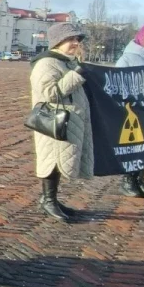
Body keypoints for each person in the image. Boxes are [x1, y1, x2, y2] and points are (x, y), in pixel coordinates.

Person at [30, 22, 94, 221]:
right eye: (71, 39)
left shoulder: (66, 61)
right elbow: (50, 93)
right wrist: (76, 75)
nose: (76, 43)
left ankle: (51, 199)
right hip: (54, 122)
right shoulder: (46, 63)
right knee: (51, 160)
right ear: (58, 41)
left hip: (67, 121)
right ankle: (48, 201)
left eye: (77, 39)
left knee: (59, 160)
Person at [114, 22, 144, 199]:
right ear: (143, 37)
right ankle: (128, 180)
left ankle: (141, 179)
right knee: (135, 146)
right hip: (134, 111)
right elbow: (117, 83)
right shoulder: (128, 58)